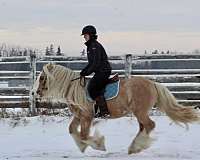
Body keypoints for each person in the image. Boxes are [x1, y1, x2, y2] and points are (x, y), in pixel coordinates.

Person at [80, 25, 112, 118]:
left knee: (93, 88)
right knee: (92, 87)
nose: (84, 37)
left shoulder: (94, 46)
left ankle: (104, 111)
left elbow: (95, 63)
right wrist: (83, 71)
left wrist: (86, 73)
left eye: (85, 35)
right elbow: (91, 63)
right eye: (84, 35)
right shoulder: (91, 46)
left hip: (103, 71)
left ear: (90, 35)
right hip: (100, 71)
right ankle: (98, 110)